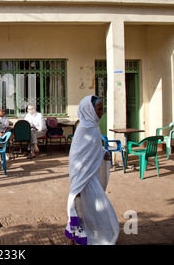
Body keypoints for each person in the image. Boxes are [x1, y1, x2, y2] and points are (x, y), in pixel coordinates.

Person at [64, 95, 119, 245]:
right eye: (99, 109)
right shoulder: (83, 129)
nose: (102, 112)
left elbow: (92, 151)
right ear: (89, 110)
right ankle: (74, 239)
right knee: (80, 208)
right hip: (82, 177)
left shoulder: (94, 128)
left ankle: (81, 237)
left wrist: (102, 153)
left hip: (90, 176)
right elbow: (77, 156)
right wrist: (78, 183)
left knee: (92, 208)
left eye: (102, 109)